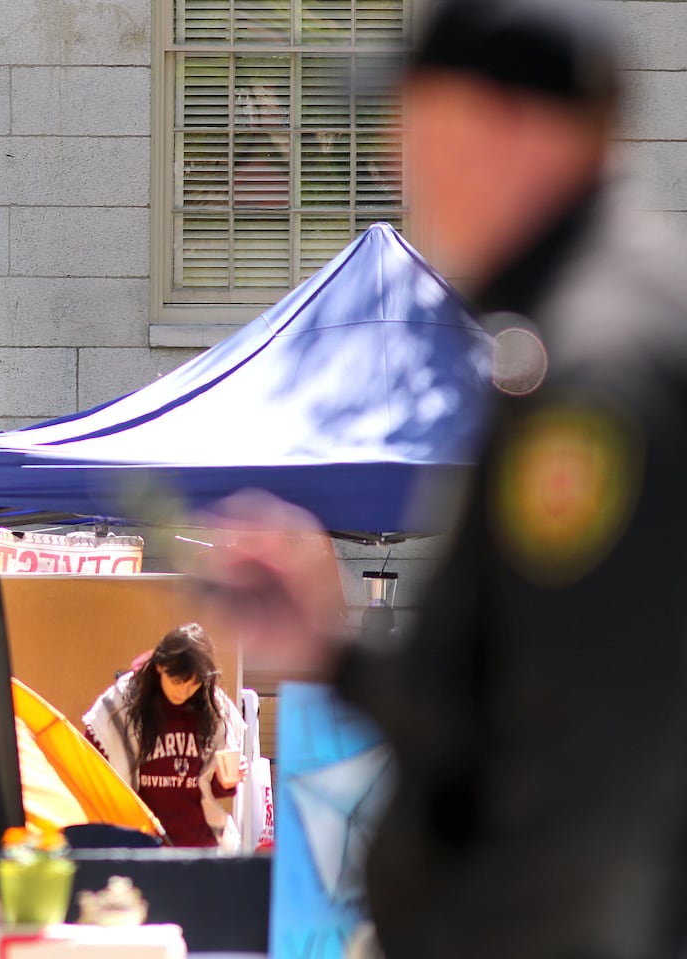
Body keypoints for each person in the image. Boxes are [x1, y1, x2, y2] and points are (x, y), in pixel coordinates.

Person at [195, 1, 687, 955]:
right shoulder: (575, 320)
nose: (394, 166)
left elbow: (597, 751)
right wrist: (334, 653)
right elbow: (504, 693)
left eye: (415, 130)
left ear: (508, 130)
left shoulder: (600, 364)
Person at [83, 624, 246, 849]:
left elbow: (213, 789)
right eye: (177, 681)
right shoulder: (122, 704)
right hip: (142, 844)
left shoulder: (215, 709)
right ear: (160, 666)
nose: (184, 691)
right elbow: (94, 759)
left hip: (198, 844)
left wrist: (226, 780)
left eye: (194, 684)